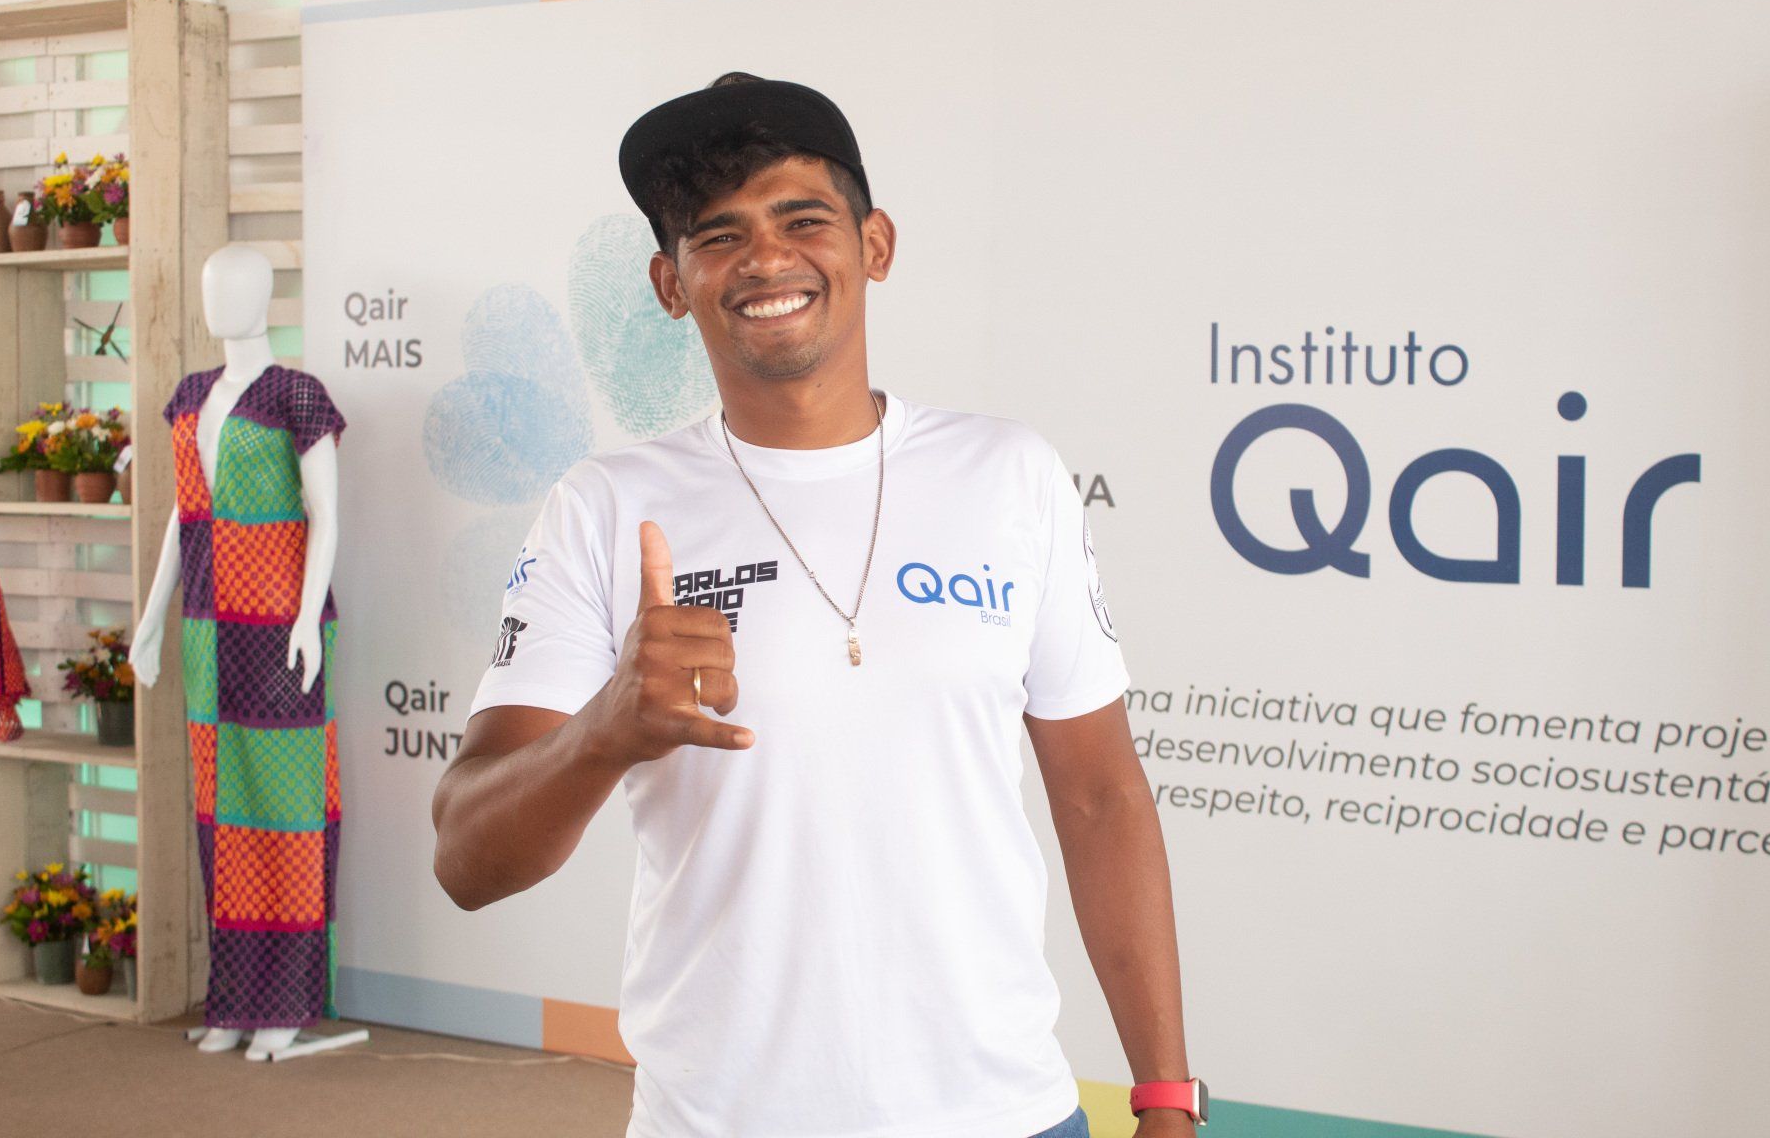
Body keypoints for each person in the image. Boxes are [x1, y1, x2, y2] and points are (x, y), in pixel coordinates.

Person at [430, 74, 1205, 1138]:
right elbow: (466, 860)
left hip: (1004, 1113)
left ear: (874, 244)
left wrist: (1164, 1095)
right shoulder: (605, 506)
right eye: (719, 235)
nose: (765, 259)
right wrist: (605, 732)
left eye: (802, 220)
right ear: (670, 283)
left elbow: (1103, 798)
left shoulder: (1010, 474)